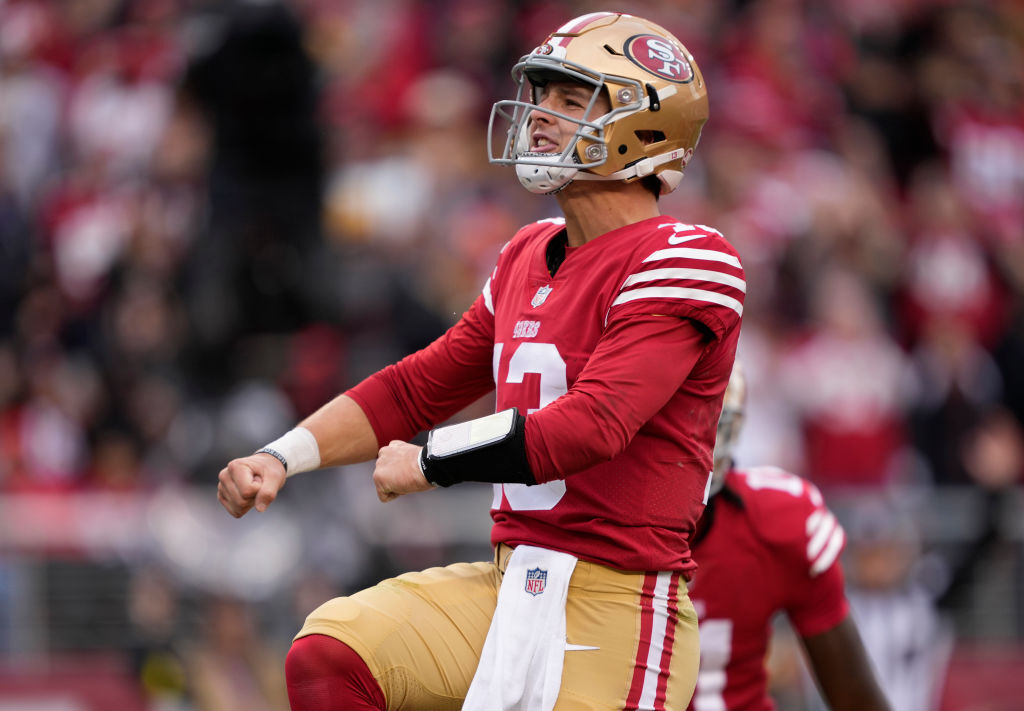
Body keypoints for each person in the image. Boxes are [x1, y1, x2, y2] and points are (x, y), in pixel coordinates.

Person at [218, 11, 745, 711]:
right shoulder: (527, 251)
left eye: (570, 99)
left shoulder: (688, 258)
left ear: (643, 126)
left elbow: (593, 425)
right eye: (542, 96)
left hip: (619, 607)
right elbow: (417, 386)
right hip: (510, 585)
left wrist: (431, 459)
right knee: (333, 650)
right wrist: (283, 455)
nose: (542, 116)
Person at [687, 363, 891, 711]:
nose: (699, 442)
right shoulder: (594, 515)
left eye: (714, 425)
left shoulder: (779, 523)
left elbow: (857, 701)